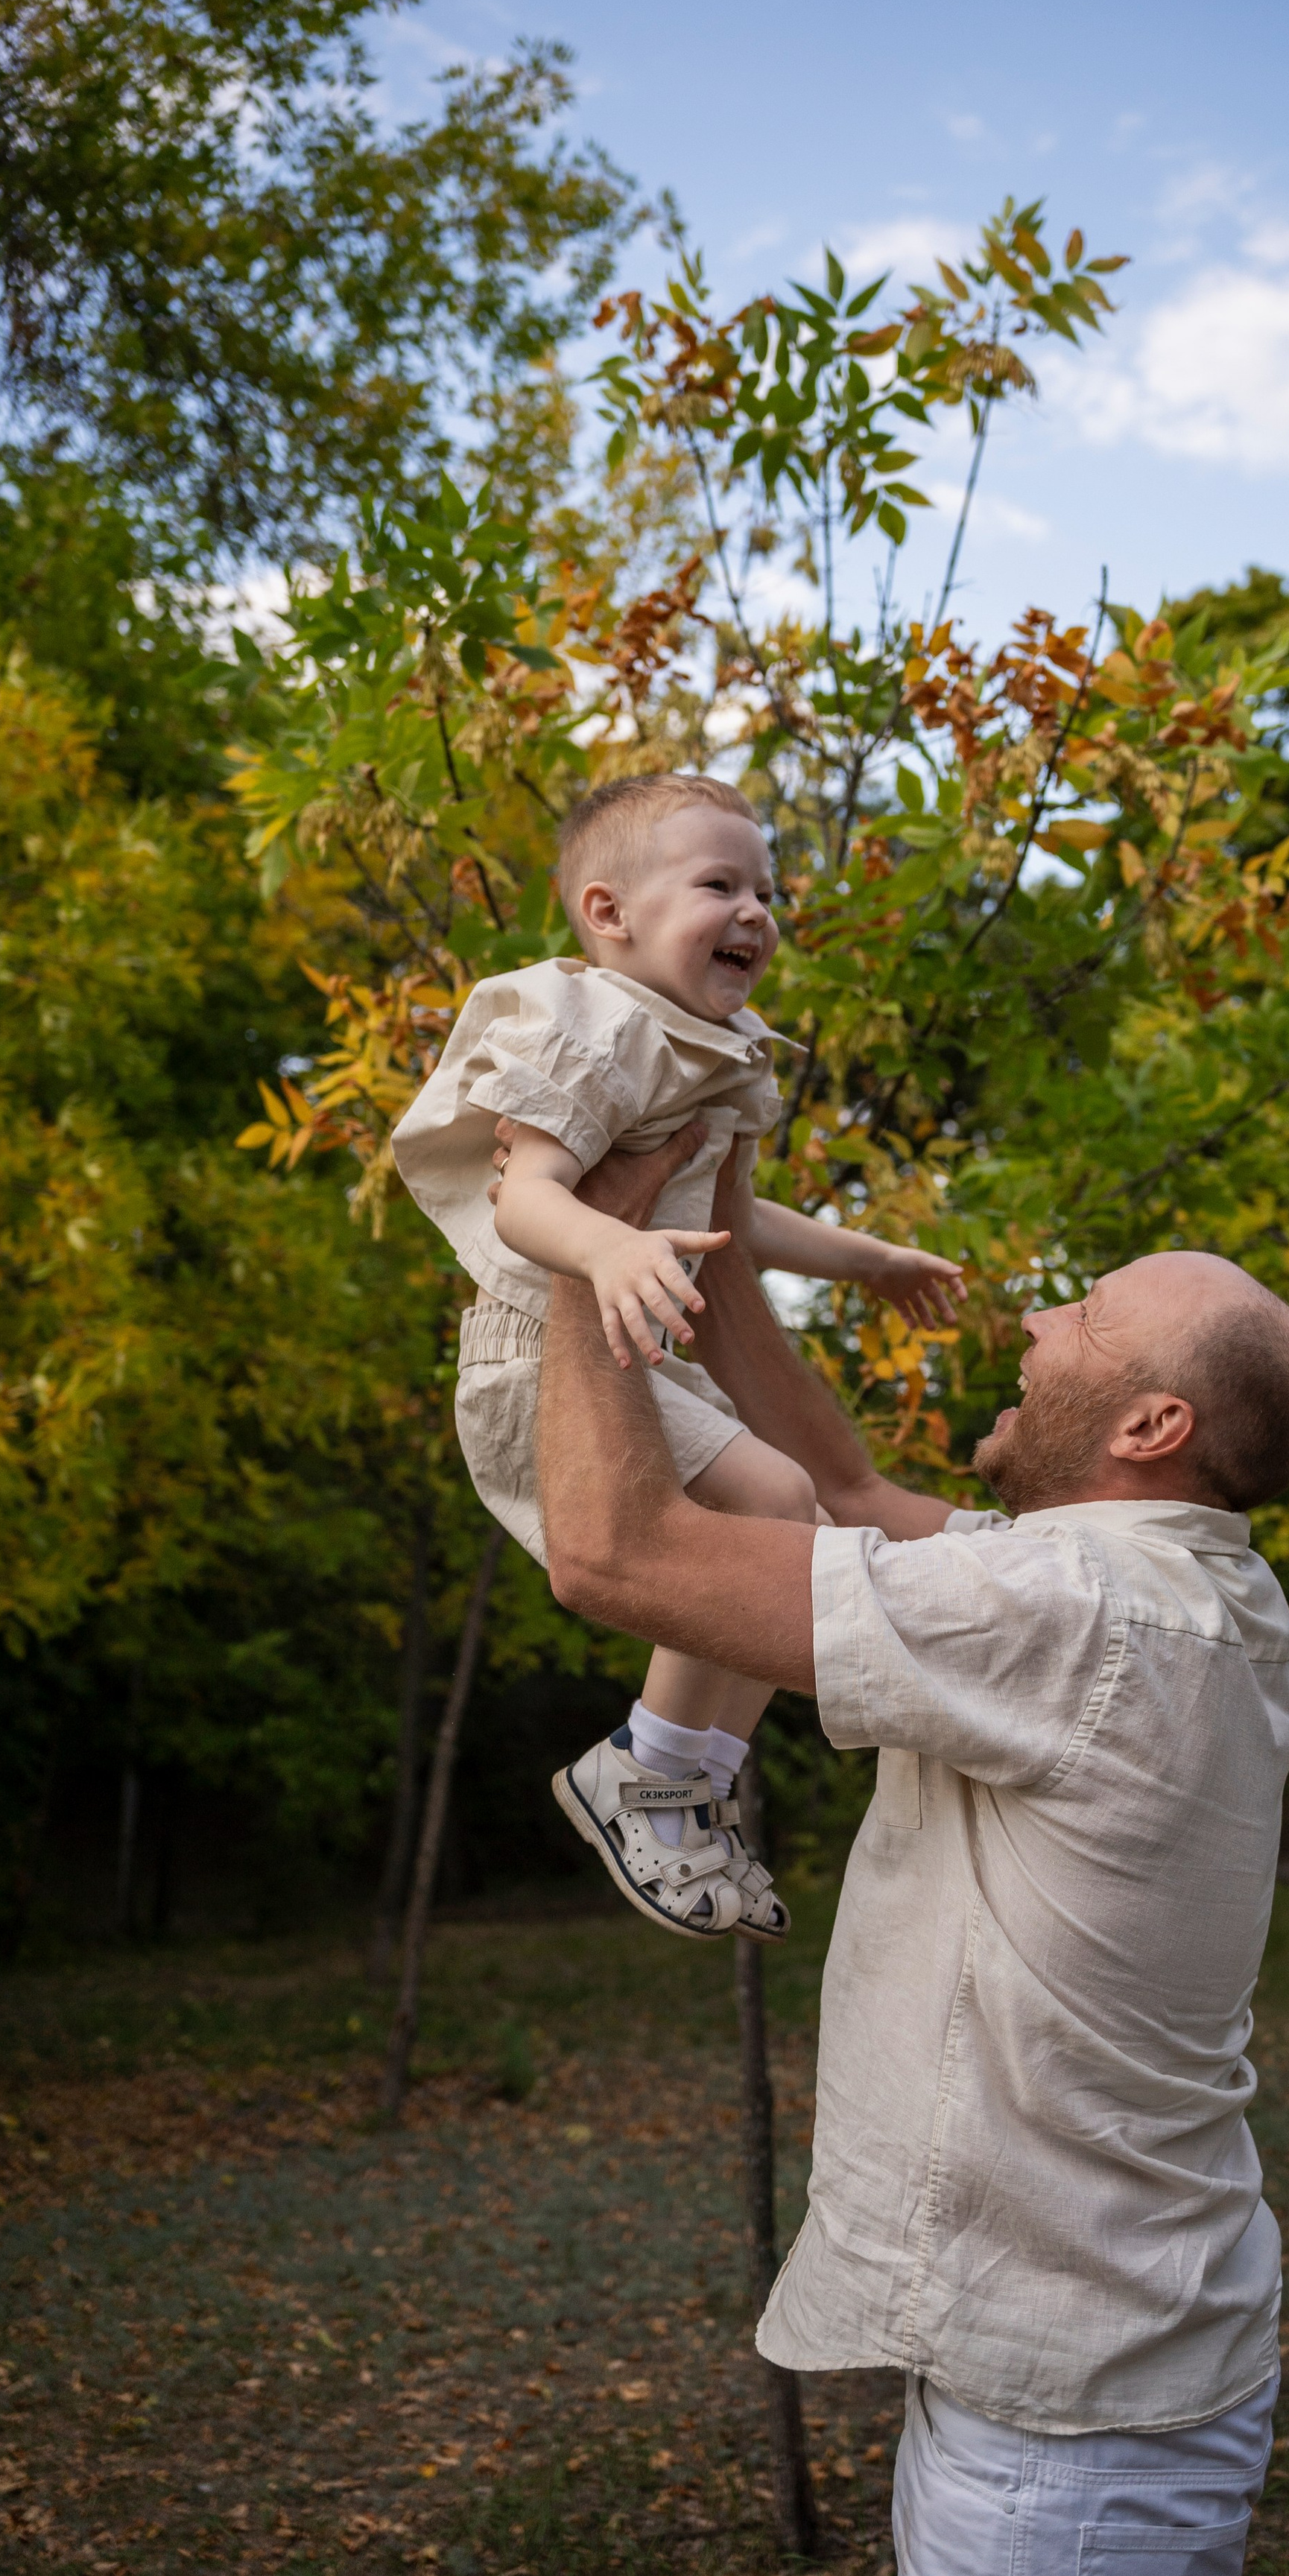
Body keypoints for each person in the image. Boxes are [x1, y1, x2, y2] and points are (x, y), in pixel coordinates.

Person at [532, 1121, 1289, 2576]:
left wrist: (580, 1255)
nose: (1034, 1320)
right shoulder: (1174, 1585)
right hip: (1097, 2372)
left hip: (1074, 2435)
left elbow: (609, 1556)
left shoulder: (1075, 1615)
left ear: (1148, 1424)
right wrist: (706, 1236)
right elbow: (836, 1490)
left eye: (1080, 1315)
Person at [390, 770, 964, 1944]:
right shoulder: (585, 1026)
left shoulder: (716, 1048)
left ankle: (679, 1787)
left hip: (641, 1338)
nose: (757, 910)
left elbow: (739, 1220)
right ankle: (650, 1777)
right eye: (720, 884)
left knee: (790, 1521)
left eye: (768, 888)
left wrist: (872, 1259)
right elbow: (528, 1202)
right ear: (612, 913)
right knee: (777, 1500)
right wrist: (606, 1252)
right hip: (548, 1349)